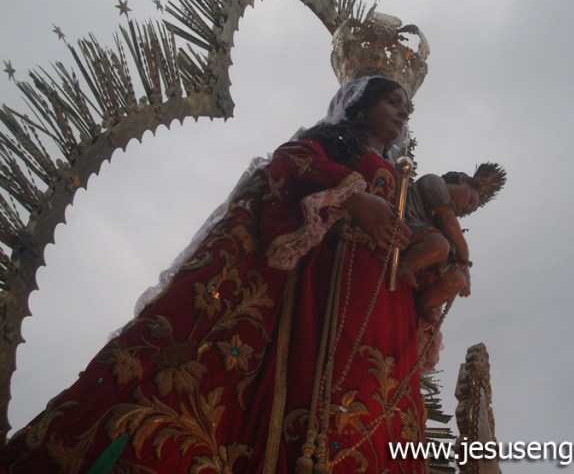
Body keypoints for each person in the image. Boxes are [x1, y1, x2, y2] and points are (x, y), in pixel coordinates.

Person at [0, 76, 429, 474]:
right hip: (326, 291)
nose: (402, 113)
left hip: (384, 302)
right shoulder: (332, 148)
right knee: (319, 401)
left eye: (406, 107)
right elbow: (289, 163)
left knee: (380, 405)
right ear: (359, 106)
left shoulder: (398, 174)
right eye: (392, 101)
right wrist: (353, 197)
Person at [400, 165, 506, 322]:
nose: (465, 208)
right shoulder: (434, 182)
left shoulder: (445, 229)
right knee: (440, 245)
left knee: (456, 279)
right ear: (462, 180)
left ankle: (423, 305)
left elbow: (457, 252)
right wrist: (463, 252)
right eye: (470, 200)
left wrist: (466, 278)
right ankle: (404, 266)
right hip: (409, 227)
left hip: (428, 242)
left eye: (466, 212)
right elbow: (451, 227)